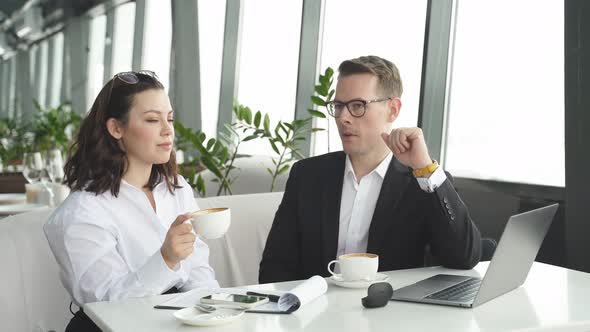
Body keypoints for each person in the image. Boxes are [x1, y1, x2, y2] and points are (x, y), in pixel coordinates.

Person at [259, 56, 481, 283]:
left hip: (390, 312)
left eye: (357, 106)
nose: (343, 118)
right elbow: (275, 268)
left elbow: (464, 257)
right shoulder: (307, 176)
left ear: (392, 110)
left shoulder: (422, 182)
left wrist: (425, 169)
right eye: (338, 106)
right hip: (315, 311)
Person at [44, 71, 218, 332]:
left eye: (169, 119)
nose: (167, 130)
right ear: (116, 128)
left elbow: (199, 271)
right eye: (151, 120)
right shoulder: (81, 212)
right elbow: (108, 305)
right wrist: (166, 260)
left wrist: (215, 313)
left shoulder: (177, 190)